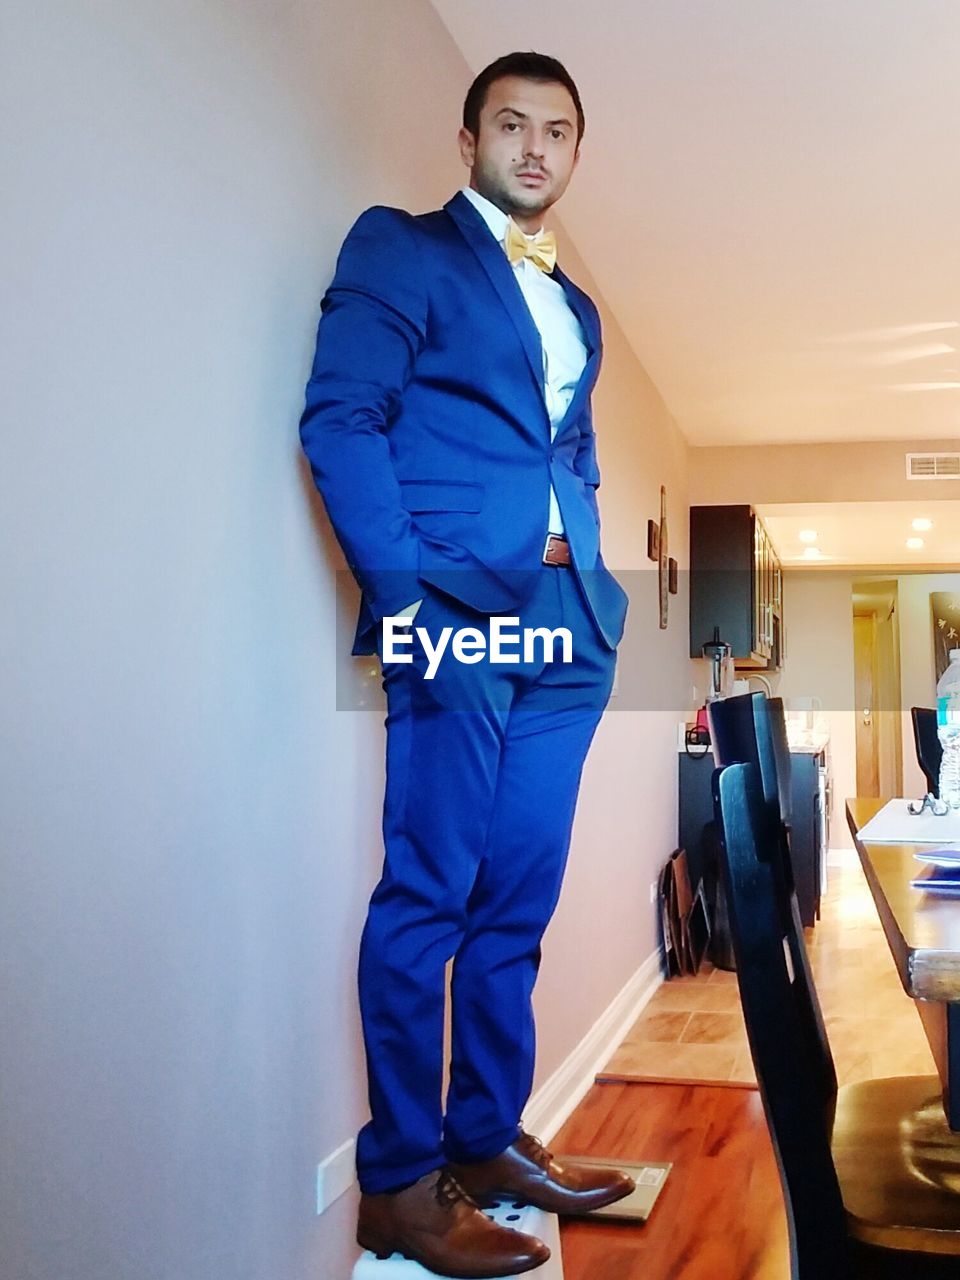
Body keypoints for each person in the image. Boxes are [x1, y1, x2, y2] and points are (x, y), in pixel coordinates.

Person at [300, 51, 633, 1278]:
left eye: (558, 131)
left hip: (567, 627)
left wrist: (591, 581)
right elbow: (340, 418)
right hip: (453, 611)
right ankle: (396, 1180)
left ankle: (485, 1136)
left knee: (517, 894)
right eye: (513, 125)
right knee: (429, 891)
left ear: (575, 155)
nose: (536, 148)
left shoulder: (578, 309)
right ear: (469, 139)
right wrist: (405, 607)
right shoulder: (404, 246)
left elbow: (573, 454)